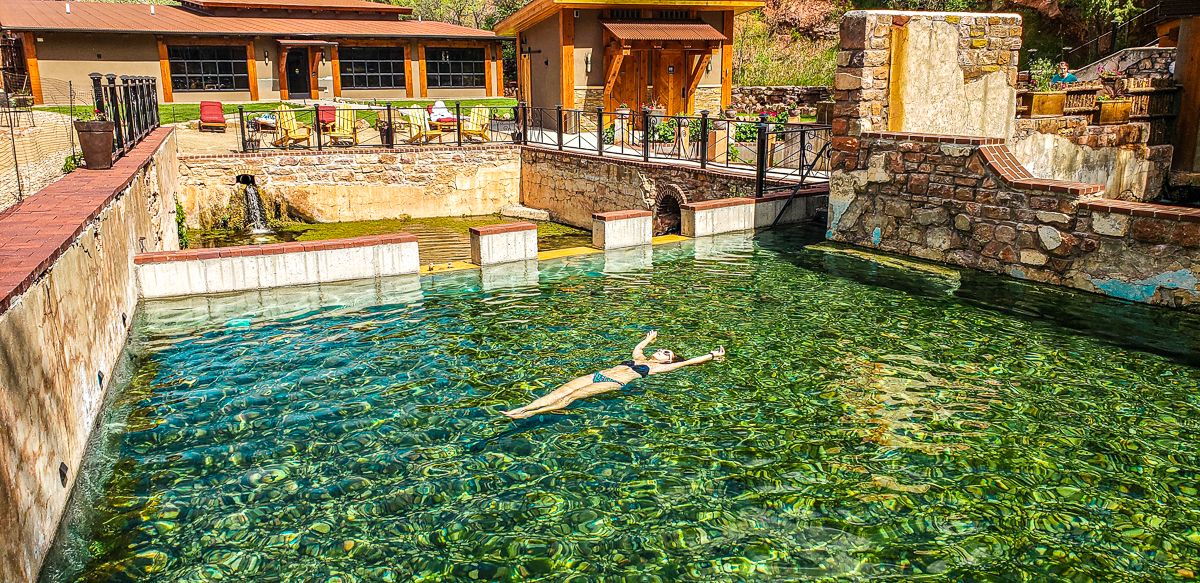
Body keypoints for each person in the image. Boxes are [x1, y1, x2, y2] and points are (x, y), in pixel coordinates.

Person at [501, 331, 725, 419]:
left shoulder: (657, 368)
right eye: (663, 349)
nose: (662, 351)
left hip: (613, 381)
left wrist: (711, 355)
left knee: (572, 398)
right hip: (597, 374)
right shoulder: (640, 359)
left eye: (666, 353)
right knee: (561, 391)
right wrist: (649, 339)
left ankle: (529, 415)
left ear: (668, 361)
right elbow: (637, 348)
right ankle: (524, 408)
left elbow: (688, 362)